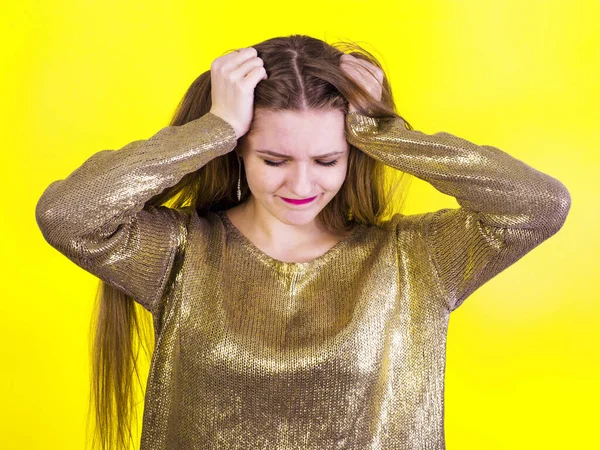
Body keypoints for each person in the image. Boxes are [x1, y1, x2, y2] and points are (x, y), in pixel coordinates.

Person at [35, 35, 571, 450]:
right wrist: (213, 127)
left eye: (326, 160)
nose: (300, 185)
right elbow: (67, 215)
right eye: (274, 160)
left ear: (352, 152)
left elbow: (537, 204)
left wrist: (385, 131)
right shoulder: (177, 253)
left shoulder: (416, 260)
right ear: (239, 153)